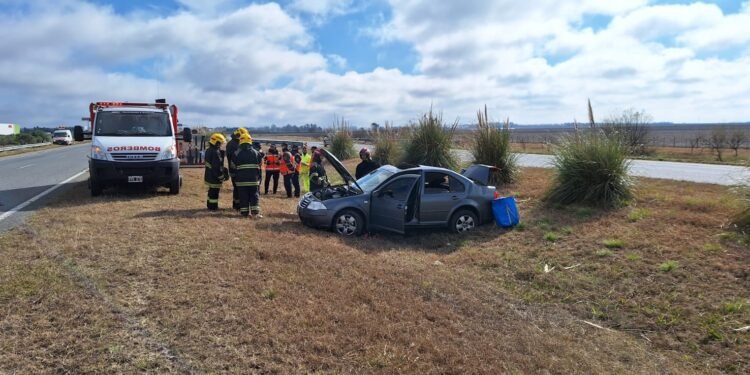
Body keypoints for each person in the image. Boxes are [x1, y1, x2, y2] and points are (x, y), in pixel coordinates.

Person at [234, 132, 263, 218]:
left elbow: (232, 165)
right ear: (250, 141)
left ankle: (244, 213)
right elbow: (260, 165)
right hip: (253, 180)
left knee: (243, 197)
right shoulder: (256, 153)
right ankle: (255, 213)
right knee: (254, 196)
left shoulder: (237, 153)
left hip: (241, 181)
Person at [204, 133, 227, 210]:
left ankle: (209, 205)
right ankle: (213, 207)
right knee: (214, 193)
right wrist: (221, 176)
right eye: (220, 143)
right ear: (216, 142)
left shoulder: (208, 150)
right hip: (214, 177)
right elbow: (217, 167)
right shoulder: (216, 152)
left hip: (209, 175)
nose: (220, 145)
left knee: (211, 192)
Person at [226, 128, 247, 210]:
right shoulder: (236, 145)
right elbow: (235, 158)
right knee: (239, 188)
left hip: (233, 170)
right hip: (237, 170)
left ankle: (236, 204)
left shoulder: (231, 143)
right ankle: (238, 206)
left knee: (236, 188)